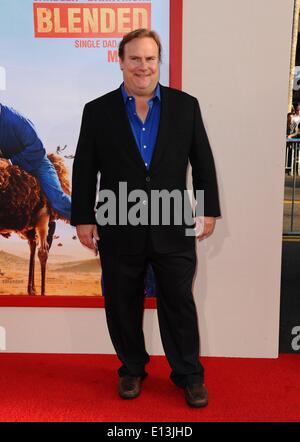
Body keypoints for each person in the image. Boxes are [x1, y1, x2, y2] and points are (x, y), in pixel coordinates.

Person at [71, 29, 221, 408]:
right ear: (121, 62)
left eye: (150, 58)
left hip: (172, 223)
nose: (143, 66)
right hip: (118, 223)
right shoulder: (97, 111)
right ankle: (131, 369)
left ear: (159, 62)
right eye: (135, 58)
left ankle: (189, 374)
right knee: (121, 302)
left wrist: (208, 209)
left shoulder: (186, 106)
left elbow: (202, 162)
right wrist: (83, 218)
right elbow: (86, 168)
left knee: (179, 303)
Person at [0, 103, 71, 220]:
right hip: (12, 168)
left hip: (37, 164)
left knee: (57, 201)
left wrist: (11, 162)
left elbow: (37, 148)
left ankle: (90, 219)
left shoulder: (15, 119)